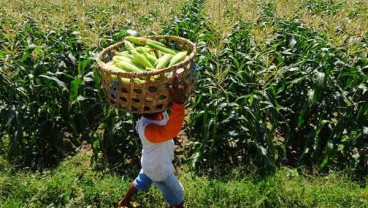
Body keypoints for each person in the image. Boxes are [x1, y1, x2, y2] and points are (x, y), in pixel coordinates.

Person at [118, 74, 187, 208]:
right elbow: (170, 131)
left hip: (149, 163)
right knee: (178, 196)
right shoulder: (149, 130)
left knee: (140, 181)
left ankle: (124, 202)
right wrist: (179, 103)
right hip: (159, 169)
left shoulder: (155, 113)